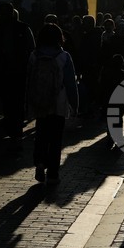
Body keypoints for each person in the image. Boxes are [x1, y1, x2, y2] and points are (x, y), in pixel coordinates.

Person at [26, 23, 79, 185]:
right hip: (58, 102)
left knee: (41, 134)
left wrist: (28, 101)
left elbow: (29, 80)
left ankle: (40, 162)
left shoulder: (34, 56)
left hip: (40, 101)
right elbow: (71, 83)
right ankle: (53, 173)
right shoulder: (64, 57)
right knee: (56, 138)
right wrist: (75, 105)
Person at [0, 2, 36, 152]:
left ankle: (15, 135)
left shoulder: (22, 28)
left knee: (15, 105)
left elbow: (31, 50)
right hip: (5, 73)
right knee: (9, 104)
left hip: (18, 73)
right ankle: (14, 133)